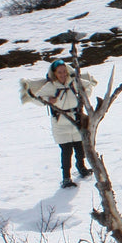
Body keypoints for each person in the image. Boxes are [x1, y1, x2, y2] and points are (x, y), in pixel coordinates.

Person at [25, 58, 98, 189]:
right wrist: (48, 99)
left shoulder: (74, 82)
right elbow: (37, 99)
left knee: (80, 148)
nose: (63, 74)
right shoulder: (51, 86)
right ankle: (66, 177)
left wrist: (83, 95)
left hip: (76, 120)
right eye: (60, 72)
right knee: (66, 151)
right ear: (54, 73)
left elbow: (89, 85)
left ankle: (81, 167)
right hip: (60, 123)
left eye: (64, 71)